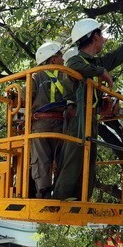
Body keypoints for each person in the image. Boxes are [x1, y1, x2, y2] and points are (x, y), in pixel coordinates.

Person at [51, 18, 123, 201]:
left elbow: (122, 52)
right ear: (94, 36)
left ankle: (80, 198)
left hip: (88, 117)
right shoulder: (76, 60)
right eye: (101, 34)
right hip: (77, 118)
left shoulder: (94, 61)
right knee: (73, 159)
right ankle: (59, 199)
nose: (104, 39)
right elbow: (74, 67)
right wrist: (101, 72)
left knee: (88, 160)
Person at [29, 41, 75, 199]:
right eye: (60, 56)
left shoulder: (35, 76)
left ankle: (43, 191)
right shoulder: (67, 75)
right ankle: (61, 191)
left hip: (41, 123)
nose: (63, 59)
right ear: (53, 59)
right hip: (62, 123)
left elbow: (25, 97)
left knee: (41, 158)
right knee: (61, 158)